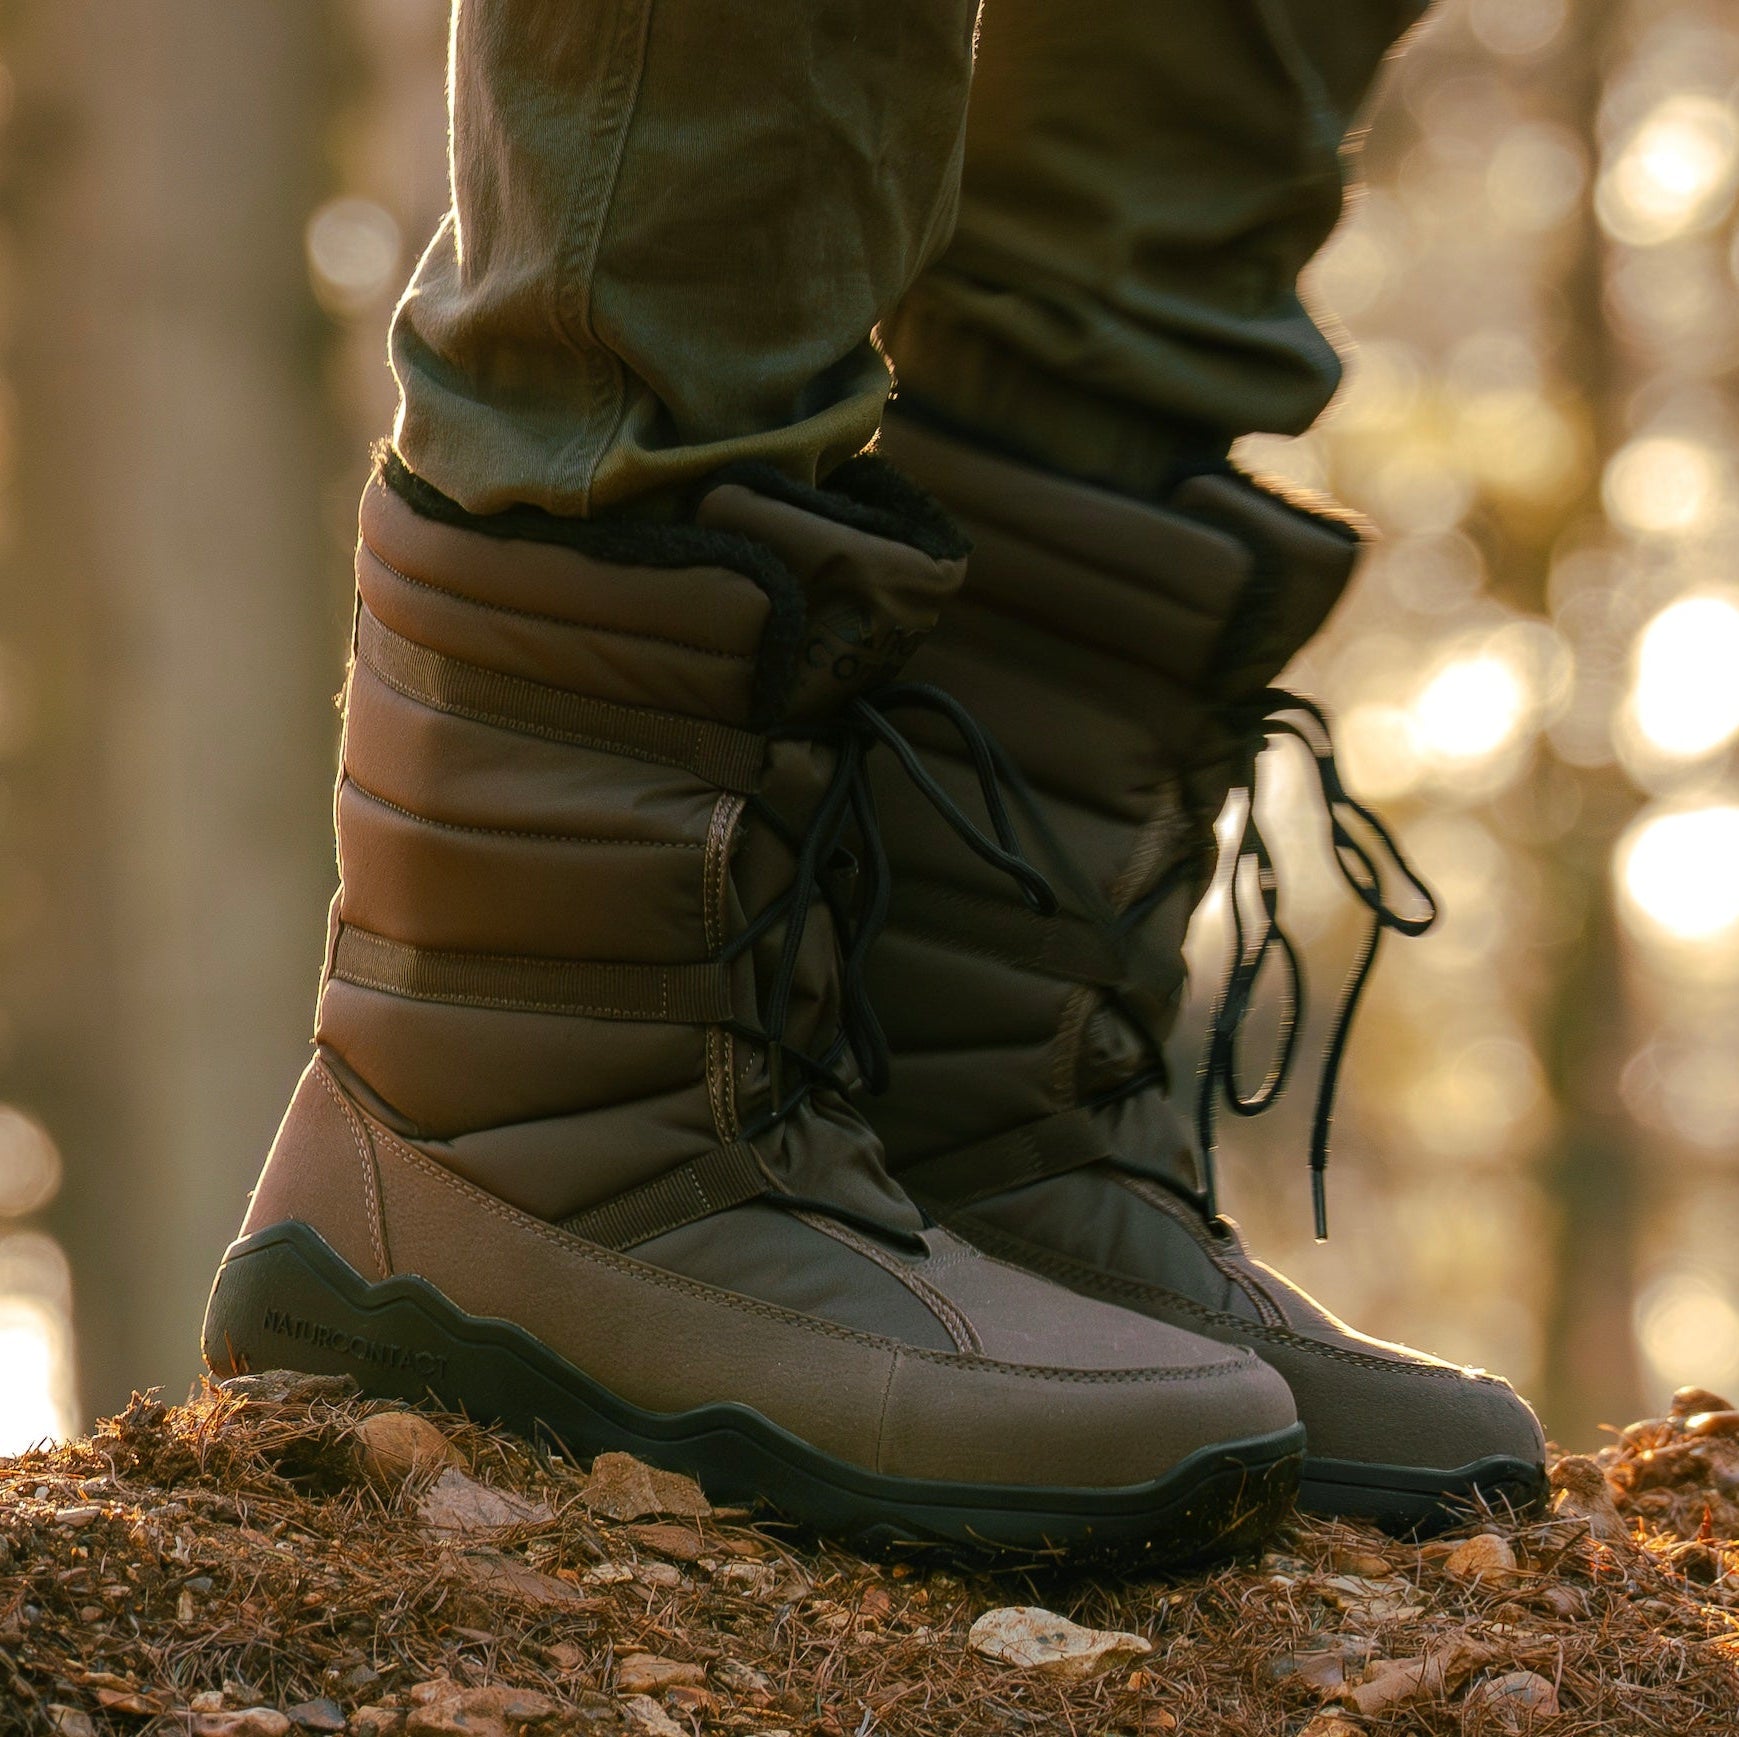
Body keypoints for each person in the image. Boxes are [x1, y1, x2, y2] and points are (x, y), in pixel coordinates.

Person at [201, 0, 1545, 1557]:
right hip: (557, 1125)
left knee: (1192, 114)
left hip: (942, 1140)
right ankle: (528, 1142)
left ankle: (973, 1142)